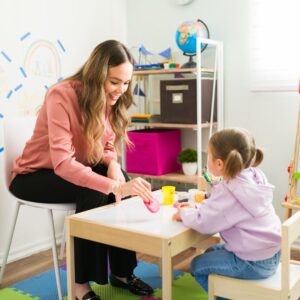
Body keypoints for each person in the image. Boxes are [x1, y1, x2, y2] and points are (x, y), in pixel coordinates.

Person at [9, 40, 154, 300]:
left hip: (73, 169)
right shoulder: (61, 96)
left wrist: (112, 164)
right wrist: (111, 184)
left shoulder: (107, 98)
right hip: (33, 176)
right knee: (95, 188)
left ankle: (122, 272)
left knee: (124, 183)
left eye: (126, 83)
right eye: (114, 82)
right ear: (97, 74)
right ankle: (79, 285)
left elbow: (107, 142)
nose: (121, 90)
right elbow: (63, 163)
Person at [173, 128, 281, 298]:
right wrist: (198, 207)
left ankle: (228, 296)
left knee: (196, 266)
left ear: (219, 164)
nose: (206, 158)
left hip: (251, 262)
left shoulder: (230, 190)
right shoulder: (253, 176)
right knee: (210, 252)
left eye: (208, 155)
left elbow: (205, 223)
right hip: (271, 255)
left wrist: (184, 213)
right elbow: (221, 208)